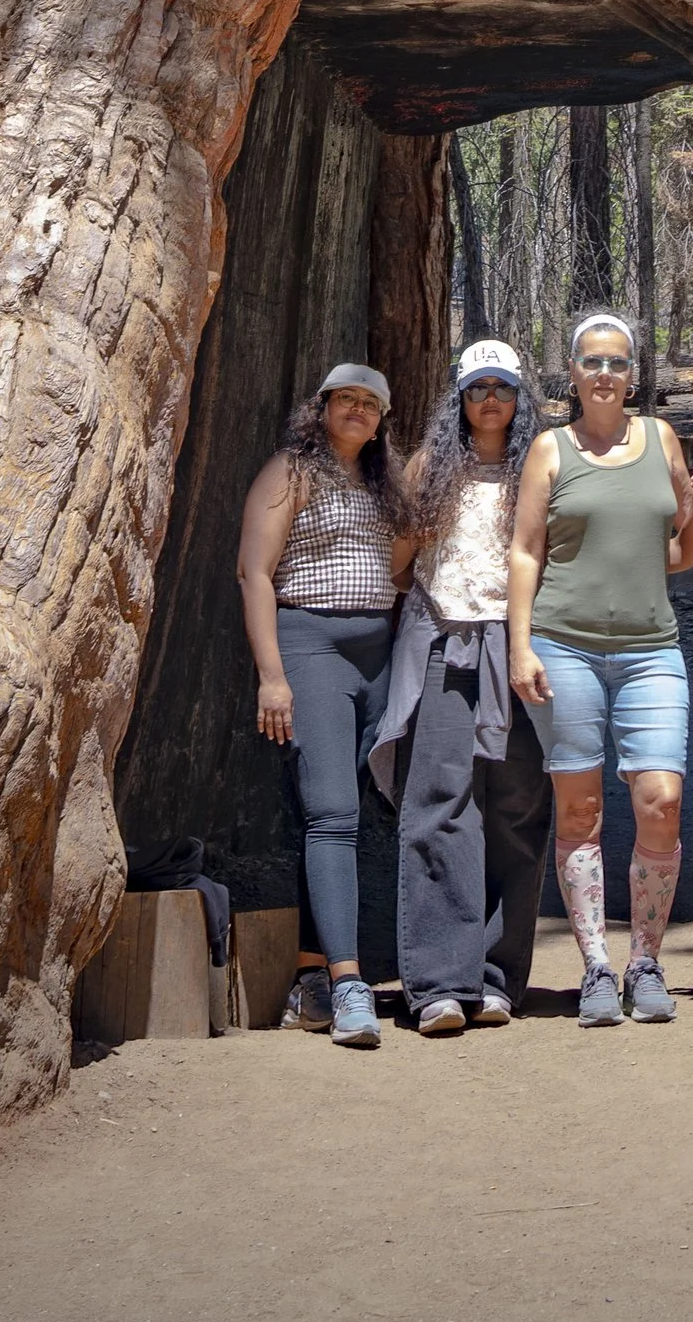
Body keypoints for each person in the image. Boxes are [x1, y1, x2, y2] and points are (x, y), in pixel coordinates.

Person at [508, 307, 693, 1027]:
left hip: (652, 647)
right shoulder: (549, 450)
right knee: (581, 807)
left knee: (660, 798)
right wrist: (520, 643)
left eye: (617, 362)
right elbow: (527, 550)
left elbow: (683, 540)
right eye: (591, 361)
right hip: (564, 645)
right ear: (572, 372)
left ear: (633, 373)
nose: (604, 373)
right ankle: (597, 967)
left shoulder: (660, 438)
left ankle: (646, 961)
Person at [369, 339, 552, 1034]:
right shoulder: (428, 468)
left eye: (502, 387)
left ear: (518, 397)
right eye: (477, 388)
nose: (491, 400)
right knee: (438, 801)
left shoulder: (539, 466)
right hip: (445, 636)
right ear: (460, 399)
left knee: (515, 803)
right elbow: (400, 560)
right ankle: (440, 982)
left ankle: (499, 975)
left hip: (518, 645)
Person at [236, 361, 412, 1047]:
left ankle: (312, 975)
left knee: (348, 811)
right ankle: (349, 986)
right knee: (333, 809)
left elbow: (395, 564)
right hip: (309, 644)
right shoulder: (291, 470)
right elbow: (253, 571)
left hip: (378, 652)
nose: (359, 411)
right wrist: (271, 675)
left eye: (372, 403)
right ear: (323, 406)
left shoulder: (383, 481)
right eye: (348, 399)